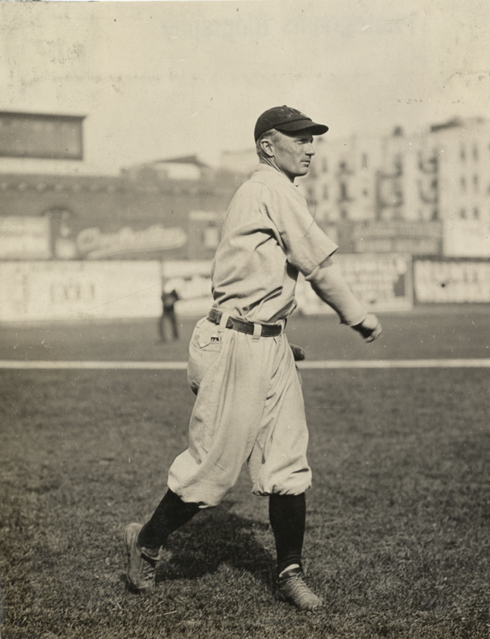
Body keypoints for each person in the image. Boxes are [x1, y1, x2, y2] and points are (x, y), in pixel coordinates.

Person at [124, 105, 382, 610]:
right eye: (299, 138)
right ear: (268, 145)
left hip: (269, 343)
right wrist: (357, 316)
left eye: (313, 140)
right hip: (234, 344)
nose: (310, 148)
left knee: (288, 464)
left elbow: (268, 278)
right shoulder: (268, 188)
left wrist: (276, 338)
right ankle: (147, 542)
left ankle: (289, 573)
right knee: (212, 471)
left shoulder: (278, 191)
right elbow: (320, 268)